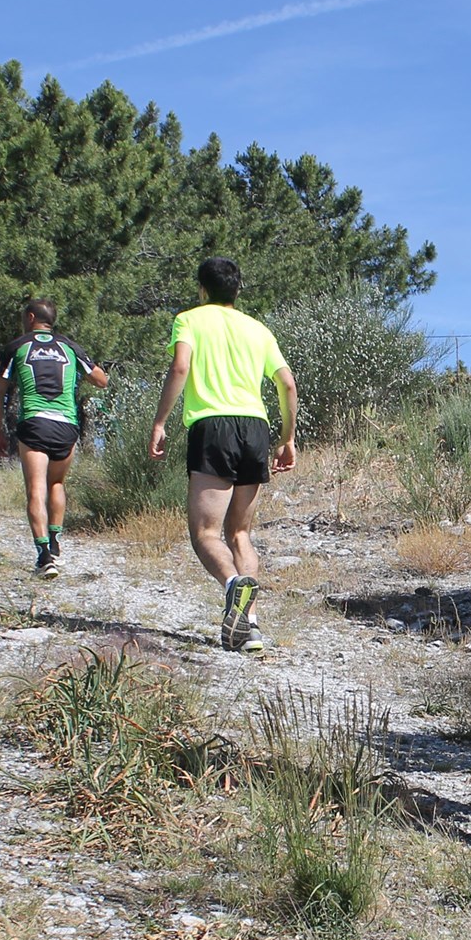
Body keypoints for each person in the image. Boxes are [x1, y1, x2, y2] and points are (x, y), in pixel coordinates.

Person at [149, 256, 298, 652]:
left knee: (205, 534)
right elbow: (287, 384)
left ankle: (233, 586)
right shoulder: (258, 329)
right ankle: (249, 627)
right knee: (241, 532)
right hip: (255, 427)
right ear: (237, 290)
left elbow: (180, 367)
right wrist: (288, 438)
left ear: (202, 289)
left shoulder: (190, 319)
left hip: (212, 427)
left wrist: (161, 421)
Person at [0, 298, 107, 579]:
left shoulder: (16, 347)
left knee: (35, 489)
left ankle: (43, 557)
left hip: (34, 423)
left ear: (30, 318)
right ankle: (55, 544)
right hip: (67, 425)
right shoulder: (69, 346)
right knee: (56, 483)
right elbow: (102, 380)